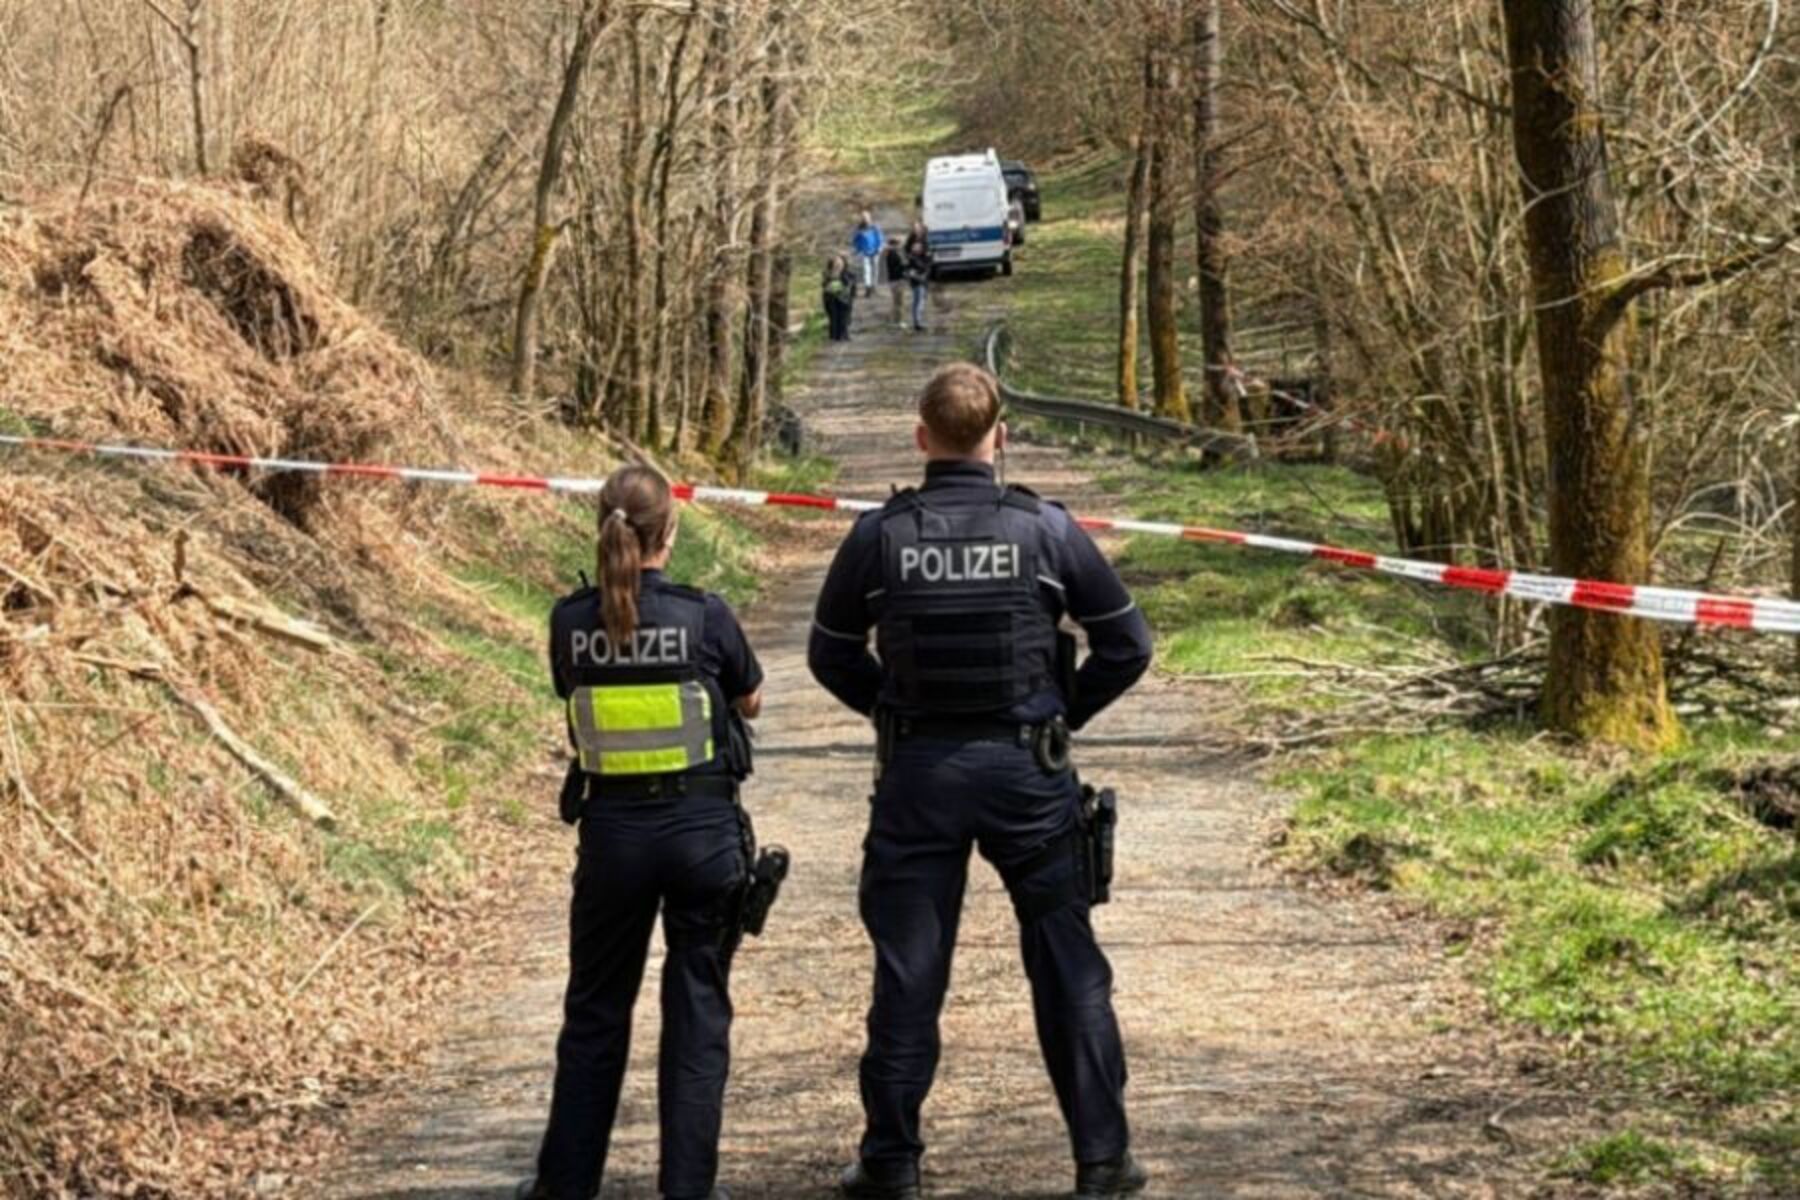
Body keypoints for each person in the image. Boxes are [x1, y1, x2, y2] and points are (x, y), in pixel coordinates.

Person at [807, 365, 1155, 1200]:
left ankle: (892, 1162)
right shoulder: (1046, 531)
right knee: (1068, 962)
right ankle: (1102, 1160)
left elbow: (828, 654)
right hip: (1026, 775)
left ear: (921, 437)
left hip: (920, 773)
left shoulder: (879, 536)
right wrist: (1059, 712)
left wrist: (892, 709)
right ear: (999, 437)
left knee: (909, 971)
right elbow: (1128, 646)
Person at [518, 465, 766, 1200]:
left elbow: (573, 689)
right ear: (673, 532)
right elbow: (749, 700)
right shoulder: (705, 617)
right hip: (702, 839)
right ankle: (687, 1189)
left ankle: (565, 1186)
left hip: (613, 841)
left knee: (594, 1014)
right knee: (696, 1016)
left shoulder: (569, 622)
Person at [901, 224, 932, 334]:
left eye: (918, 230)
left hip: (924, 274)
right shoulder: (909, 244)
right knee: (918, 298)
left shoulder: (925, 242)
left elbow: (928, 259)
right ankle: (917, 322)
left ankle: (918, 320)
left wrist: (926, 271)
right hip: (914, 275)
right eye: (915, 230)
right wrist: (909, 270)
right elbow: (906, 259)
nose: (917, 232)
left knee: (922, 298)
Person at [852, 210, 886, 298]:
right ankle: (868, 289)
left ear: (870, 217)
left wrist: (879, 248)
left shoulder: (875, 227)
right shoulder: (859, 228)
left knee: (875, 270)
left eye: (866, 217)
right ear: (861, 219)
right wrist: (857, 249)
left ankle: (874, 287)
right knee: (866, 271)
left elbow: (880, 238)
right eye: (863, 217)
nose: (865, 219)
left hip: (875, 251)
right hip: (864, 252)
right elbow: (855, 240)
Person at [823, 254, 856, 342]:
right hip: (831, 299)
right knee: (833, 317)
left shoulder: (849, 274)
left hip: (844, 299)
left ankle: (843, 335)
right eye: (836, 263)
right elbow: (825, 286)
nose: (838, 265)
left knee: (844, 318)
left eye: (840, 263)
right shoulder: (827, 274)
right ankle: (834, 336)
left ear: (844, 264)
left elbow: (851, 286)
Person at [882, 234, 909, 329]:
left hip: (893, 280)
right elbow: (897, 267)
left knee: (896, 302)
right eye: (899, 243)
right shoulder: (893, 254)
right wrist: (905, 267)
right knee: (899, 302)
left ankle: (895, 320)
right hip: (897, 280)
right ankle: (899, 321)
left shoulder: (889, 253)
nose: (900, 245)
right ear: (895, 244)